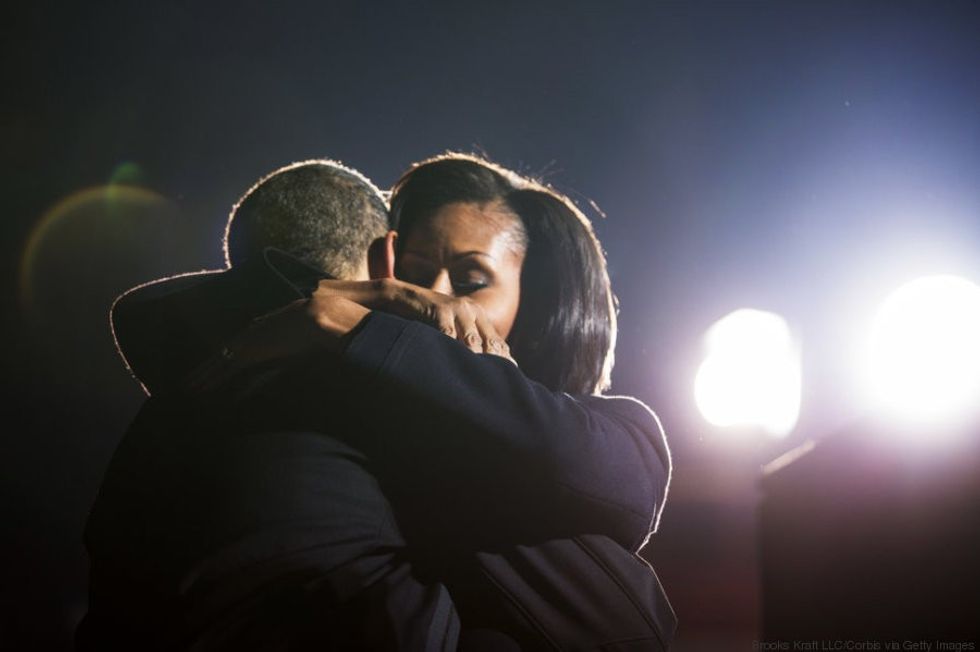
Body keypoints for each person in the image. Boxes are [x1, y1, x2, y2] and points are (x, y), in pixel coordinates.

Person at [86, 154, 676, 650]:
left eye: (472, 280)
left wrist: (359, 330)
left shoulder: (609, 428)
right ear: (381, 273)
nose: (437, 297)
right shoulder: (335, 408)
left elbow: (608, 478)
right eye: (416, 274)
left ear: (540, 304)